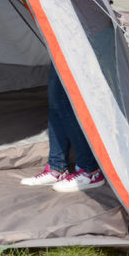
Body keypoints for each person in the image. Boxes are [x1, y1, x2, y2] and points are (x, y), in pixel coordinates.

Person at [21, 63, 105, 192]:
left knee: (64, 103)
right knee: (55, 102)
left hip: (81, 45)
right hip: (64, 45)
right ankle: (57, 168)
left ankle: (90, 171)